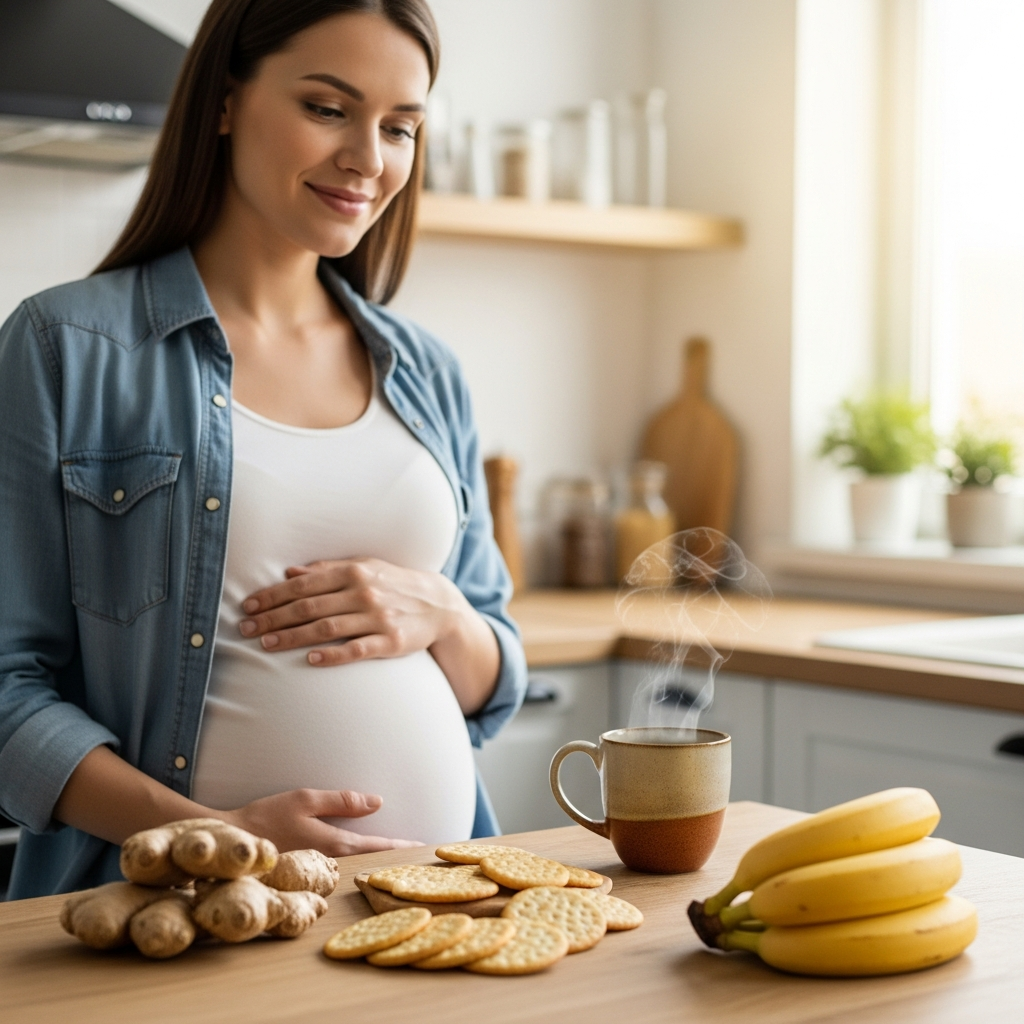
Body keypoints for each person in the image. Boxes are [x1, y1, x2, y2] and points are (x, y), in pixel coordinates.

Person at [0, 0, 526, 900]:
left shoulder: (427, 370)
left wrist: (446, 616)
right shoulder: (67, 349)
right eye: (328, 108)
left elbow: (493, 678)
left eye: (399, 127)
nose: (368, 158)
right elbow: (7, 690)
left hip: (440, 909)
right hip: (186, 913)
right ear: (225, 101)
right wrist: (211, 837)